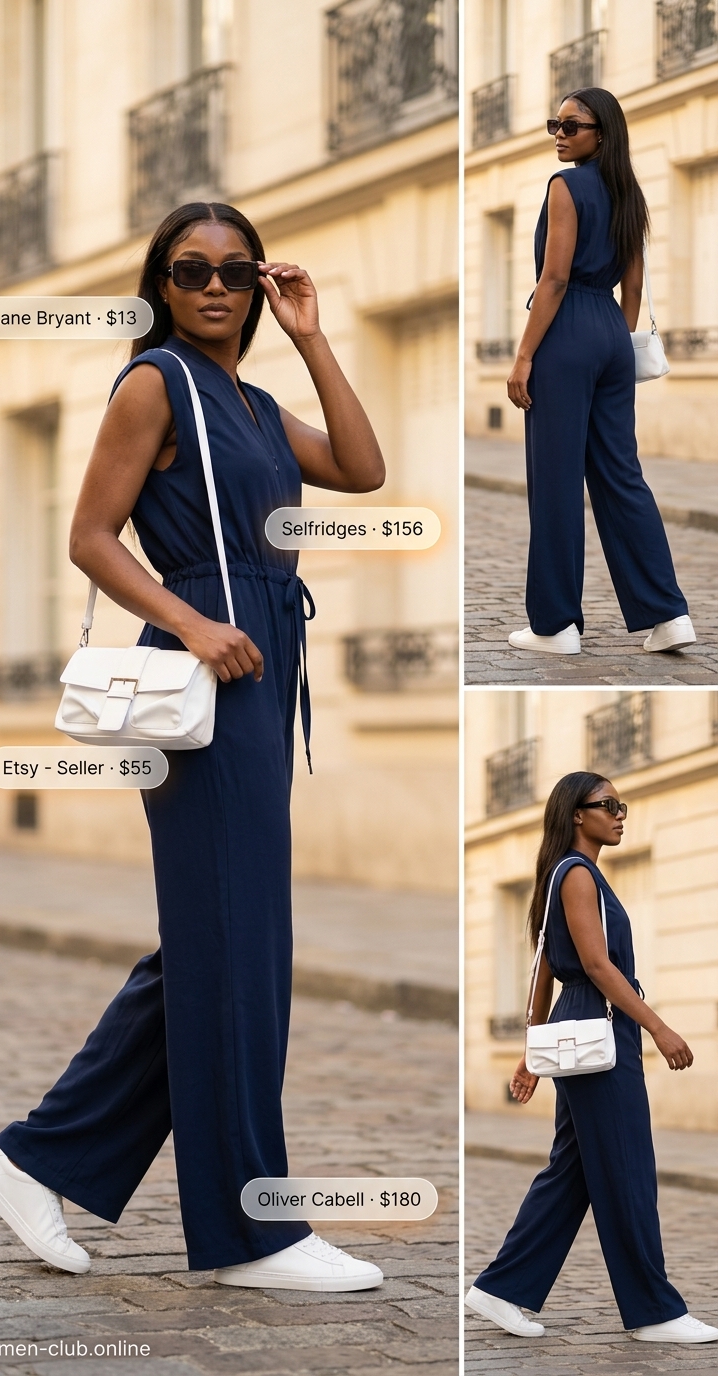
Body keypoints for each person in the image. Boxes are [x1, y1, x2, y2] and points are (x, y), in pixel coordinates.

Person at [0, 201, 388, 1291]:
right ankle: (252, 1231)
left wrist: (311, 336)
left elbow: (362, 468)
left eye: (237, 272)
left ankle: (34, 1157)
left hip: (263, 664)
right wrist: (193, 622)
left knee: (226, 942)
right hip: (205, 671)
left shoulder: (253, 401)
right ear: (161, 282)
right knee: (234, 943)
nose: (215, 288)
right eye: (192, 270)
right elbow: (89, 535)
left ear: (259, 286)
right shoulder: (155, 383)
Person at [465, 771, 718, 1344]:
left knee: (573, 1170)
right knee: (627, 1167)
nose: (620, 815)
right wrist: (658, 1028)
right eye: (609, 805)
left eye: (622, 806)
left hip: (581, 1023)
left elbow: (542, 970)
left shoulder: (567, 873)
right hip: (598, 1023)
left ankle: (500, 1289)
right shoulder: (577, 874)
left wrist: (532, 1047)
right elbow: (597, 966)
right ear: (577, 813)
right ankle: (655, 1312)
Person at [506, 87, 695, 658]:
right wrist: (611, 341)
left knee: (556, 479)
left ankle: (555, 626)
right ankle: (669, 615)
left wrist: (524, 356)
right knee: (621, 474)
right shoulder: (629, 193)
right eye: (555, 125)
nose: (559, 135)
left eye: (572, 126)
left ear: (602, 134)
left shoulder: (565, 186)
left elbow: (555, 278)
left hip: (566, 330)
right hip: (614, 331)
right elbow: (632, 286)